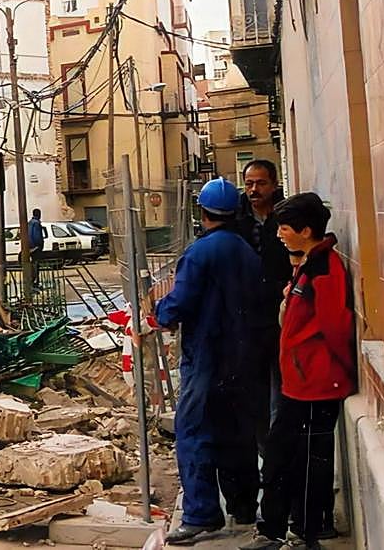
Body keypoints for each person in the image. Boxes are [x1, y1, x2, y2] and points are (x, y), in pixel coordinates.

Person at [241, 193, 354, 550]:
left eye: (285, 228)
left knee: (308, 463)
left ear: (305, 231)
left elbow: (336, 327)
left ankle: (306, 532)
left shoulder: (325, 270)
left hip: (317, 384)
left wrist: (342, 372)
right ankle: (273, 527)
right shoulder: (308, 264)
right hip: (299, 381)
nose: (279, 235)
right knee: (279, 457)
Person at [153, 178, 261, 545]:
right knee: (237, 432)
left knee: (196, 433)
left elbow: (178, 304)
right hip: (243, 357)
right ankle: (244, 506)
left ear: (202, 211)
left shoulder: (200, 253)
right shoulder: (246, 249)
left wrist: (158, 312)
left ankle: (201, 514)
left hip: (206, 357)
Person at [235, 159, 291, 451]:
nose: (254, 190)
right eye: (249, 184)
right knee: (255, 386)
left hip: (283, 315)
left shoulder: (286, 217)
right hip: (249, 318)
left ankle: (283, 446)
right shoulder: (237, 218)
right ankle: (264, 447)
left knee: (283, 384)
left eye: (260, 183)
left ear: (274, 184)